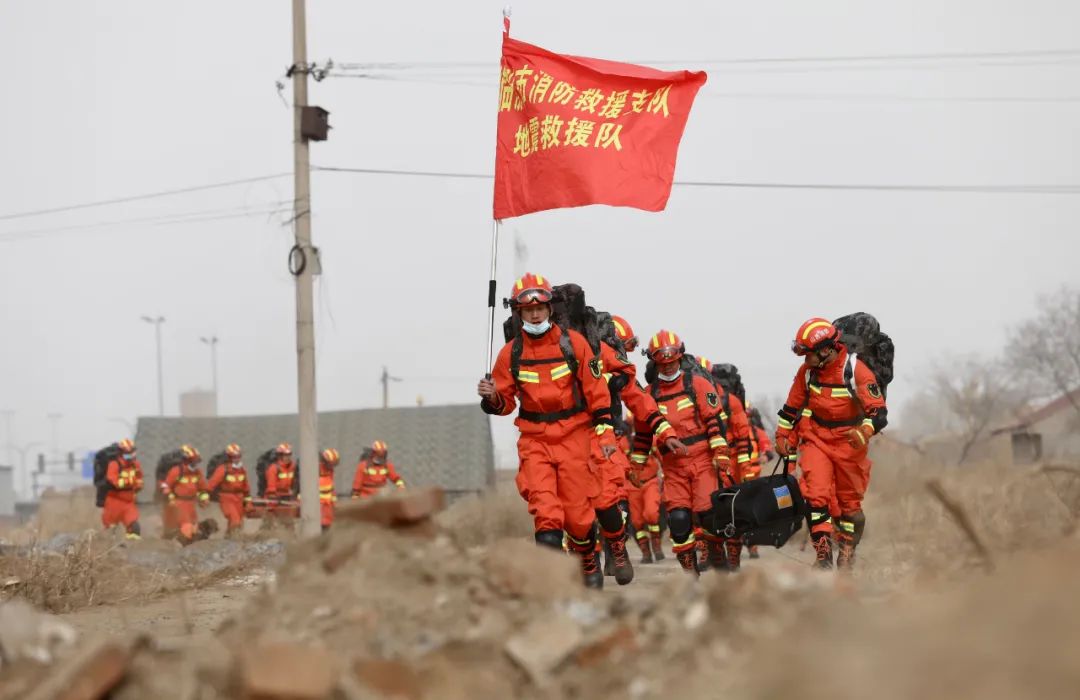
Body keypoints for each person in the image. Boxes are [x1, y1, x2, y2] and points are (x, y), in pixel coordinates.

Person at [478, 272, 619, 588]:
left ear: (550, 309)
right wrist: (492, 397)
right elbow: (505, 404)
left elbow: (597, 391)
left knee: (578, 516)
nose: (535, 313)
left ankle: (586, 557)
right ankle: (552, 583)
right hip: (535, 440)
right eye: (528, 310)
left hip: (575, 436)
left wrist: (606, 434)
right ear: (519, 312)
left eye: (540, 307)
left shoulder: (575, 344)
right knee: (546, 513)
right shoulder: (510, 353)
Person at [775, 318, 887, 569]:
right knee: (815, 496)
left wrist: (865, 431)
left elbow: (879, 413)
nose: (805, 361)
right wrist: (782, 436)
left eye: (809, 354)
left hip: (850, 442)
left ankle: (846, 551)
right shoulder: (807, 373)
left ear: (826, 350)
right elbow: (791, 407)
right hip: (817, 438)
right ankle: (823, 553)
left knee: (849, 504)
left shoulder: (855, 369)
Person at [638, 330, 737, 575]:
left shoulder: (699, 385)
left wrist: (721, 453)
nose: (669, 367)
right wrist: (636, 465)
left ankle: (716, 554)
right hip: (673, 467)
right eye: (663, 362)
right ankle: (689, 573)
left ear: (680, 358)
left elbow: (714, 422)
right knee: (679, 520)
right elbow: (642, 435)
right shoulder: (649, 395)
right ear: (655, 361)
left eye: (673, 361)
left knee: (707, 514)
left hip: (703, 460)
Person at [161, 444, 210, 545]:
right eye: (193, 461)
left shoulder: (197, 473)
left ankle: (184, 543)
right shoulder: (176, 471)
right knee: (186, 526)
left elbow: (202, 488)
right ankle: (180, 545)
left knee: (194, 528)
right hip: (179, 503)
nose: (196, 464)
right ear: (186, 460)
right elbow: (166, 486)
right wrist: (170, 498)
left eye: (197, 461)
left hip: (191, 503)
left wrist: (204, 498)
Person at [102, 438, 143, 540]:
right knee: (111, 528)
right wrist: (128, 482)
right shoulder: (114, 464)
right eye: (128, 453)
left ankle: (132, 546)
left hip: (128, 501)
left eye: (132, 452)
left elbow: (139, 478)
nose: (131, 455)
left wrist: (138, 485)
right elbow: (113, 480)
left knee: (134, 526)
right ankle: (111, 549)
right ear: (121, 453)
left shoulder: (135, 465)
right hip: (114, 500)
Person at [207, 443, 251, 537]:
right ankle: (231, 539)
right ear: (229, 458)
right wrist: (205, 495)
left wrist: (248, 501)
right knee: (235, 521)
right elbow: (212, 483)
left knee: (239, 523)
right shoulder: (223, 469)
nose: (237, 459)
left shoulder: (242, 470)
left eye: (239, 456)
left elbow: (246, 487)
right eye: (234, 457)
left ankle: (228, 539)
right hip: (227, 498)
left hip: (239, 498)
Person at [265, 442, 299, 522]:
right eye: (285, 455)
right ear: (280, 456)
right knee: (272, 519)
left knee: (289, 521)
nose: (287, 458)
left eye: (289, 455)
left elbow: (296, 482)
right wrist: (273, 498)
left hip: (288, 496)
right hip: (276, 497)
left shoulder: (293, 467)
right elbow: (271, 486)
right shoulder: (273, 469)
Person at [319, 448, 339, 532]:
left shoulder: (330, 470)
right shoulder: (316, 469)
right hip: (318, 504)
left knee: (328, 525)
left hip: (328, 504)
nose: (332, 467)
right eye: (331, 464)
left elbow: (331, 487)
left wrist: (334, 503)